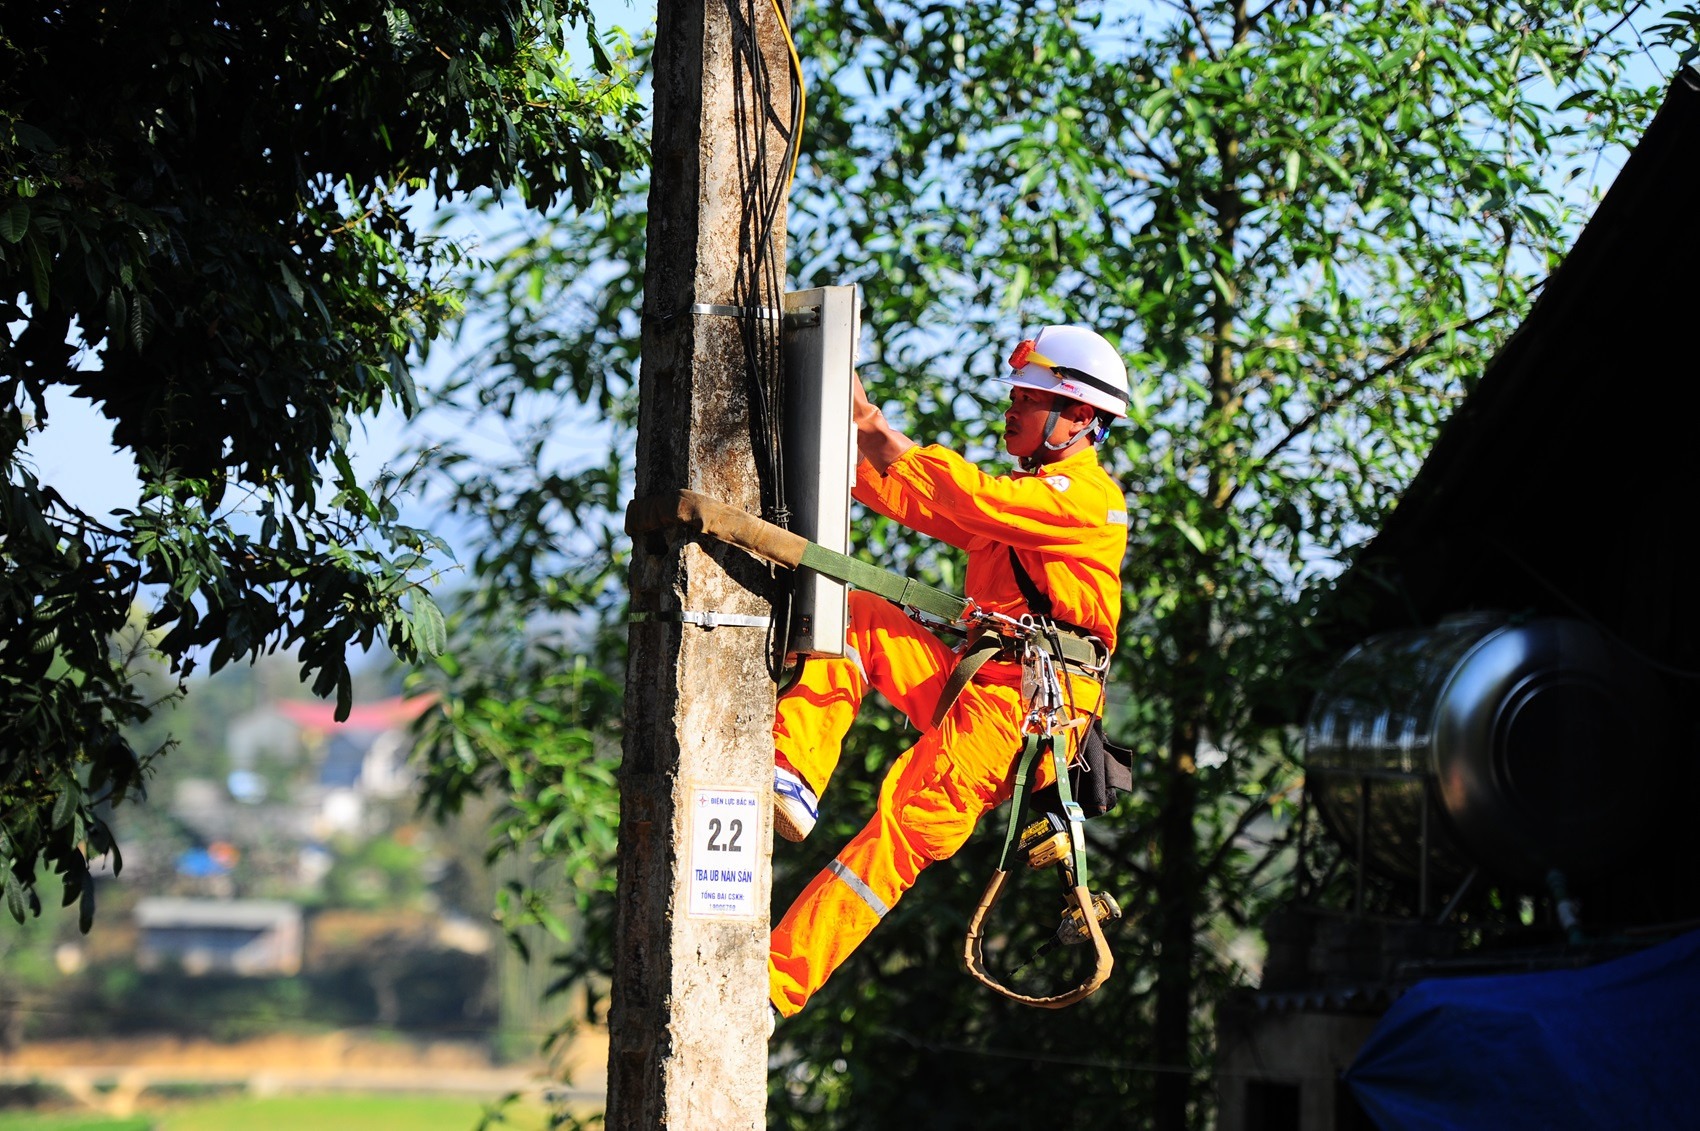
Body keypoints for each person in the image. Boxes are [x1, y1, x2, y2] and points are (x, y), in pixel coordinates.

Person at [768, 324, 1131, 1023]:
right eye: (1018, 393)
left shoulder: (1085, 501)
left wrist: (870, 422)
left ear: (1080, 416)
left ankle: (774, 984)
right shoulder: (1031, 504)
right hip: (982, 685)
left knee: (904, 827)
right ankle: (794, 772)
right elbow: (930, 503)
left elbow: (968, 500)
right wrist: (831, 446)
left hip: (1022, 714)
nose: (1014, 406)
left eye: (1032, 396)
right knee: (851, 611)